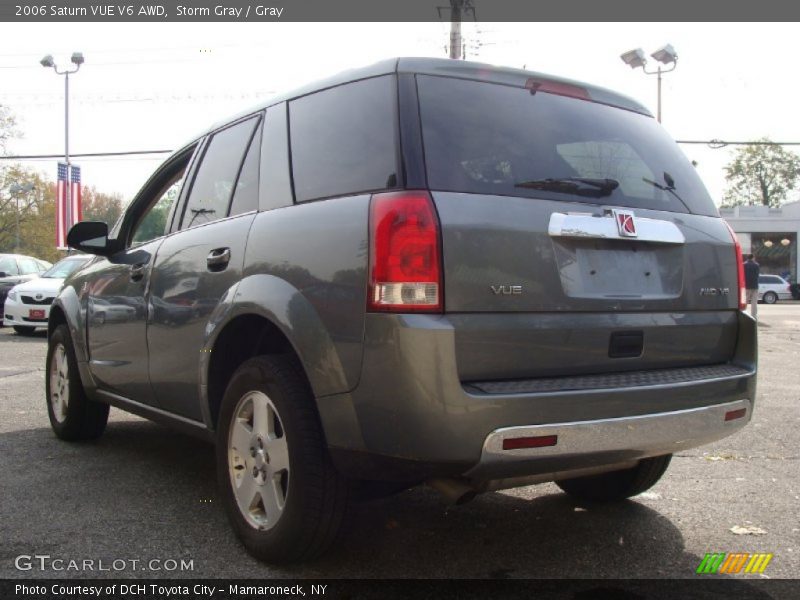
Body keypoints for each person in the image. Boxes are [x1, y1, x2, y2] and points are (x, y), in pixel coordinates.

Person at [743, 254, 760, 320]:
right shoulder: (756, 265)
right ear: (753, 258)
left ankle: (743, 314)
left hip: (746, 285)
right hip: (755, 285)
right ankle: (754, 316)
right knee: (754, 302)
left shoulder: (744, 265)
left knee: (745, 301)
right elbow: (757, 275)